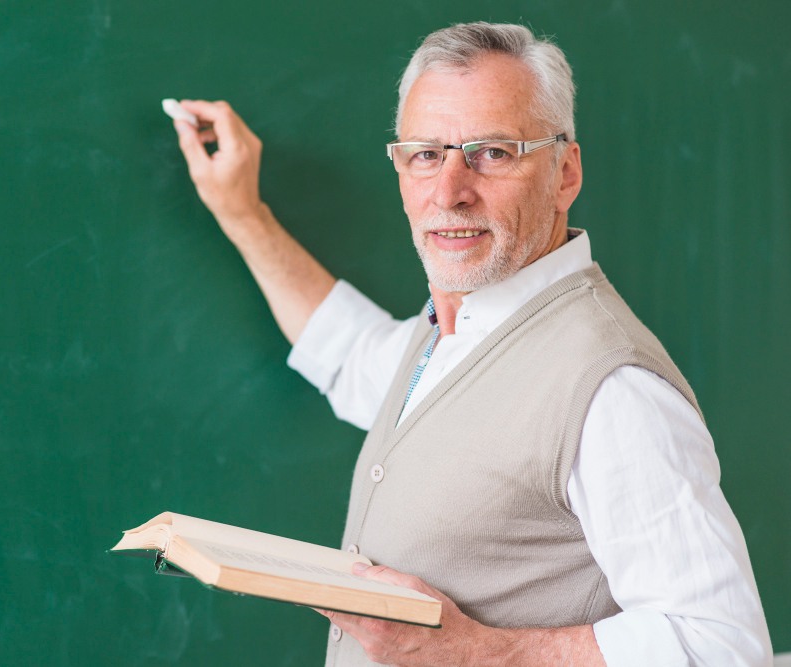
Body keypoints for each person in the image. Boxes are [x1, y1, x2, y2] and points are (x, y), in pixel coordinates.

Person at [169, 22, 771, 667]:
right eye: (426, 154)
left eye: (493, 152)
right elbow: (348, 352)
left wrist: (480, 652)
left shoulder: (610, 389)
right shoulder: (451, 335)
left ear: (565, 172)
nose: (450, 191)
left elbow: (721, 646)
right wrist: (240, 212)